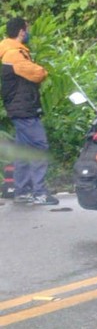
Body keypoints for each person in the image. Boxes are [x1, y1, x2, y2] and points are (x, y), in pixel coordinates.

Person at [0, 17, 58, 205]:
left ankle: (22, 190)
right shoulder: (13, 54)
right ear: (21, 32)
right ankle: (39, 192)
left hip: (20, 108)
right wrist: (43, 70)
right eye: (27, 29)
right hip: (24, 109)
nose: (28, 32)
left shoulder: (12, 51)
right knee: (39, 147)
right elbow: (37, 74)